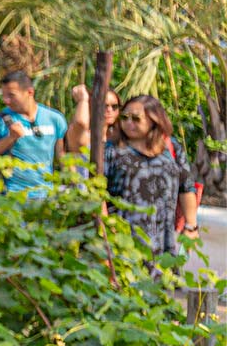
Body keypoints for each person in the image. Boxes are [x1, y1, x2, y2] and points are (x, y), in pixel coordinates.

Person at [73, 92, 198, 256]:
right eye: (125, 118)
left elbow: (186, 187)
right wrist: (106, 235)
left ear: (154, 120)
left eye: (136, 118)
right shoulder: (110, 151)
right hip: (122, 242)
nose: (129, 123)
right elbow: (96, 194)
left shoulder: (171, 148)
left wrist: (191, 226)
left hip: (162, 242)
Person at [0, 71, 67, 195]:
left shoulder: (55, 119)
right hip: (10, 197)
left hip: (46, 196)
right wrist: (11, 138)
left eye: (11, 95)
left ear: (30, 92)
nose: (6, 100)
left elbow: (63, 157)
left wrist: (74, 186)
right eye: (3, 95)